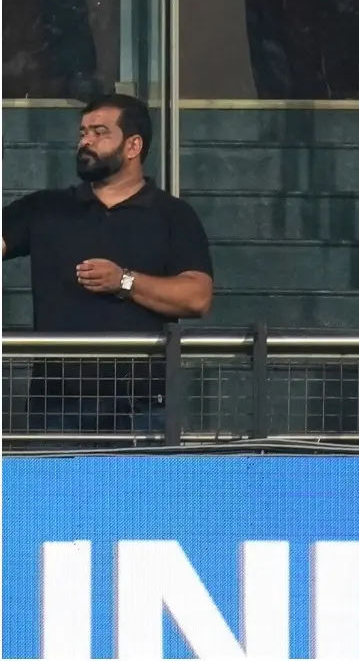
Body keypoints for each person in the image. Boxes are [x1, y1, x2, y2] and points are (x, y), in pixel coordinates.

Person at [2, 94, 214, 435]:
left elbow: (197, 297)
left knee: (141, 490)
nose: (85, 141)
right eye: (83, 132)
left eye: (99, 132)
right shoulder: (45, 209)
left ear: (133, 146)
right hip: (56, 407)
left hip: (142, 408)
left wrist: (124, 281)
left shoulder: (172, 215)